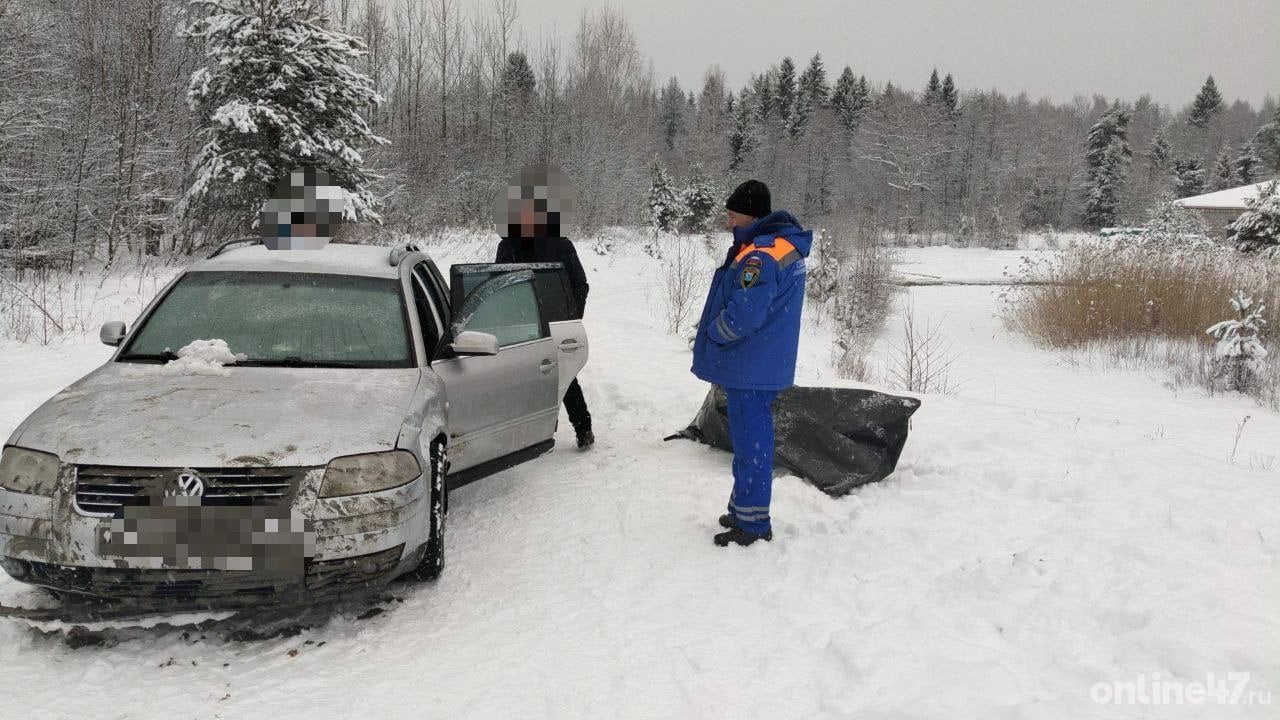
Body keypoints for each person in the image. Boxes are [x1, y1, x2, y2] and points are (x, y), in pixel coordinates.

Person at [690, 180, 812, 546]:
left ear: (751, 215)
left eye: (732, 215)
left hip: (751, 366)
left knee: (751, 447)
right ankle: (744, 509)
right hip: (763, 362)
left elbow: (745, 315)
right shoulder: (779, 248)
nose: (728, 222)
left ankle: (754, 525)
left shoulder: (759, 256)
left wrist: (714, 332)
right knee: (749, 445)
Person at [494, 164, 595, 449]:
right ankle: (547, 431)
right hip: (529, 324)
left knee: (558, 376)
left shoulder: (556, 244)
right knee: (542, 377)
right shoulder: (512, 245)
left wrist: (570, 318)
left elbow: (581, 285)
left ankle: (580, 429)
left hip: (546, 323)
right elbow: (499, 285)